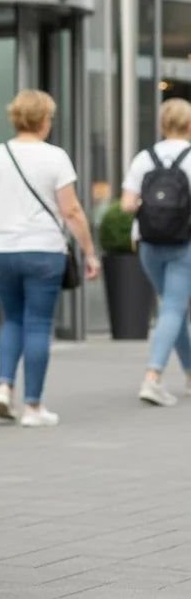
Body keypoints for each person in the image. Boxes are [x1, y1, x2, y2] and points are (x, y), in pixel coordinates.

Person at [0, 90, 100, 427]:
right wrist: (90, 251)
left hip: (0, 250)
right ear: (43, 120)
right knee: (38, 324)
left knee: (12, 320)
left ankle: (3, 386)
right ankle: (33, 407)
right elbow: (71, 210)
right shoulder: (55, 157)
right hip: (43, 251)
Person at [119, 97, 191, 407]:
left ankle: (189, 372)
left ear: (162, 125)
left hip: (148, 244)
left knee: (171, 311)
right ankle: (153, 377)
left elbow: (126, 205)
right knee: (173, 309)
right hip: (184, 244)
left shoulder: (143, 158)